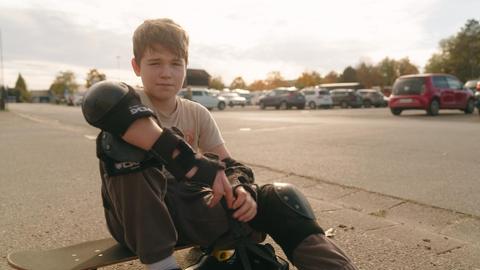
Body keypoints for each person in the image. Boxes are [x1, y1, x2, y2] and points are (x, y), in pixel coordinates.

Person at [82, 18, 358, 270]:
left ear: (185, 68)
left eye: (175, 63)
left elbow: (228, 165)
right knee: (118, 141)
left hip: (191, 211)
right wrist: (193, 164)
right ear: (136, 67)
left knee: (279, 198)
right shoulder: (129, 102)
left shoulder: (197, 112)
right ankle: (164, 267)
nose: (166, 72)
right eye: (155, 63)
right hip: (138, 222)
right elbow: (100, 99)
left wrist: (239, 188)